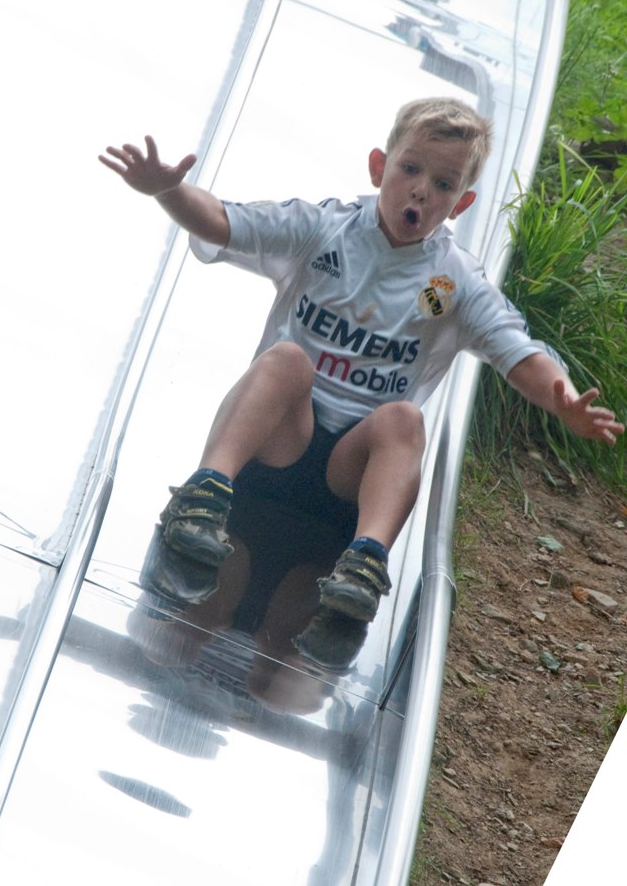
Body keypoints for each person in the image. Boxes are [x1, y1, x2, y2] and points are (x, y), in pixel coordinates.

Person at [99, 97, 624, 670]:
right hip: (277, 446)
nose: (421, 191)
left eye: (443, 184)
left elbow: (516, 350)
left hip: (349, 481)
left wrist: (563, 400)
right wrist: (169, 191)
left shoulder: (455, 282)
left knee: (404, 420)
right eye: (410, 169)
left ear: (461, 203)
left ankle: (365, 562)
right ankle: (204, 496)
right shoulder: (324, 229)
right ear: (379, 167)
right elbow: (226, 222)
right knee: (286, 361)